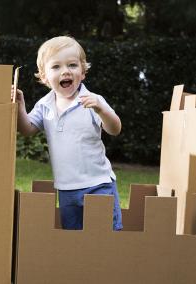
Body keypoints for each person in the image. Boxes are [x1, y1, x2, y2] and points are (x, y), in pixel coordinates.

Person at [13, 36, 123, 231]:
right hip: (66, 189)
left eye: (72, 65)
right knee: (72, 240)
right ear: (44, 77)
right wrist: (20, 105)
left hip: (98, 185)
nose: (65, 71)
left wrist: (101, 110)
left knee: (105, 236)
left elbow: (115, 129)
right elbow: (27, 128)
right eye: (56, 67)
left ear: (82, 72)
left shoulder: (93, 101)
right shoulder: (45, 105)